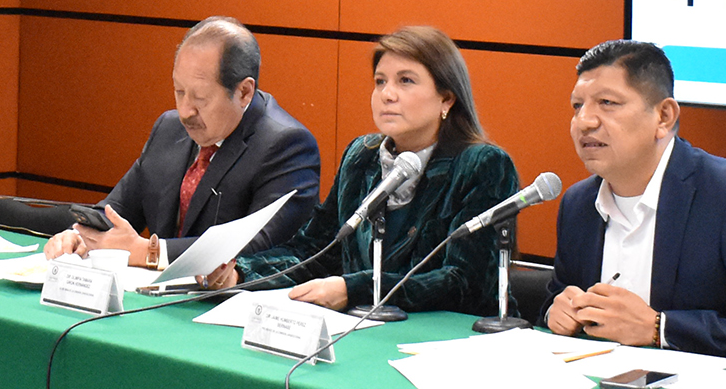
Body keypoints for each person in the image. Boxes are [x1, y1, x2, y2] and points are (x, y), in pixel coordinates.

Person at [541, 40, 726, 371]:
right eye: (577, 106)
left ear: (664, 116)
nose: (584, 121)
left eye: (607, 103)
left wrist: (659, 329)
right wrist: (556, 311)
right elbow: (559, 298)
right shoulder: (578, 204)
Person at [206, 27, 516, 315]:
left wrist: (354, 288)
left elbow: (465, 282)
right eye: (380, 81)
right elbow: (316, 250)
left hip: (450, 340)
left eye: (406, 81)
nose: (387, 94)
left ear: (446, 98)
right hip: (364, 329)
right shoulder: (362, 156)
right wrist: (241, 272)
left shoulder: (483, 165)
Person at [43, 16, 320, 267]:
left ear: (244, 92)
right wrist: (79, 236)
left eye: (200, 98)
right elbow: (117, 212)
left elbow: (262, 249)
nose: (185, 111)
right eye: (179, 91)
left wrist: (150, 252)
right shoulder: (169, 128)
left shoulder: (287, 145)